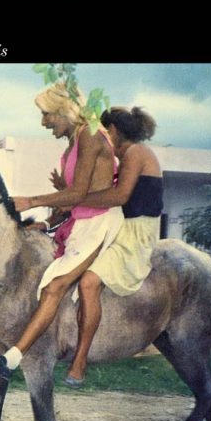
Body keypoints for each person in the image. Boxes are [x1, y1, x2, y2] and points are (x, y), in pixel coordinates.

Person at [0, 83, 124, 380]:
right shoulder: (73, 142)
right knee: (42, 283)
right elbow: (74, 201)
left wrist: (31, 201)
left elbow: (78, 194)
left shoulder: (89, 136)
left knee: (54, 287)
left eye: (47, 114)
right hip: (81, 224)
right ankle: (1, 340)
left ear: (64, 110)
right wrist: (48, 223)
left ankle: (14, 358)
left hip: (99, 224)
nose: (44, 122)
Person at [66, 106, 163, 386]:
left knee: (89, 282)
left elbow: (120, 196)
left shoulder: (136, 153)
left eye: (103, 131)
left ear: (113, 130)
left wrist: (75, 199)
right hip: (120, 226)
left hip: (135, 233)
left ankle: (80, 361)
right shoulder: (124, 156)